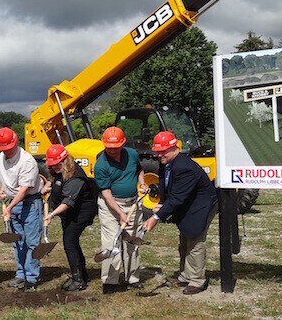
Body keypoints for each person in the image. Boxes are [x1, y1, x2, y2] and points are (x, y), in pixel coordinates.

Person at [143, 131, 218, 295]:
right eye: (157, 151)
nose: (159, 155)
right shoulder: (166, 162)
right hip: (188, 203)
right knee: (184, 238)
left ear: (174, 147)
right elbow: (164, 183)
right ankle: (185, 276)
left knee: (195, 239)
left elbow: (177, 198)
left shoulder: (184, 167)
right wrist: (162, 202)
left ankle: (197, 281)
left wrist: (156, 217)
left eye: (163, 151)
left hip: (201, 204)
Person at [93, 126, 146, 294]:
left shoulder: (132, 154)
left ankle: (133, 278)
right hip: (110, 206)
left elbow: (139, 170)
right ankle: (109, 281)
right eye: (109, 147)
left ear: (122, 144)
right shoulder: (101, 164)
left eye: (115, 148)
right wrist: (121, 214)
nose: (112, 151)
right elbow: (107, 194)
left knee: (132, 242)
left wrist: (142, 183)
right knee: (111, 243)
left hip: (132, 203)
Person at [42, 145, 98, 292]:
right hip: (69, 214)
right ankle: (82, 274)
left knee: (69, 242)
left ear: (65, 160)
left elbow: (67, 202)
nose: (54, 168)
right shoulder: (59, 171)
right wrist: (48, 186)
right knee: (71, 242)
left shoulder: (75, 176)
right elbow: (56, 181)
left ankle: (78, 280)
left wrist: (51, 215)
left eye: (57, 165)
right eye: (52, 166)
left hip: (81, 212)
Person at [0, 127, 44, 290]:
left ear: (15, 142)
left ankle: (32, 278)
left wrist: (8, 207)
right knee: (18, 242)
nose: (6, 151)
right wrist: (3, 190)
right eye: (3, 149)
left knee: (31, 242)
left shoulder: (27, 161)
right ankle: (21, 275)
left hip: (30, 202)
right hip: (13, 202)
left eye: (9, 148)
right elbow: (6, 177)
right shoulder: (1, 158)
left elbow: (23, 190)